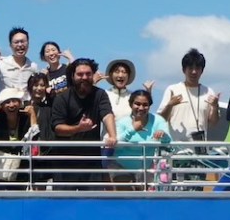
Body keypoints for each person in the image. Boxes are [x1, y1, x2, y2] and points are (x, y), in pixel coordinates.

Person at [47, 58, 115, 189]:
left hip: (92, 161)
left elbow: (107, 114)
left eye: (88, 74)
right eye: (80, 74)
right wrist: (78, 128)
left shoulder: (100, 94)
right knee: (64, 206)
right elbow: (57, 127)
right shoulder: (62, 97)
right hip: (64, 163)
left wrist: (112, 136)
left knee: (93, 204)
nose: (84, 77)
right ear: (72, 76)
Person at [111, 89, 172, 189]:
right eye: (137, 104)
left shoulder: (158, 120)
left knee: (146, 199)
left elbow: (169, 142)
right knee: (125, 195)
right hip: (121, 167)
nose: (141, 108)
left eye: (145, 105)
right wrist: (132, 129)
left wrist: (163, 135)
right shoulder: (122, 122)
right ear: (131, 104)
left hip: (146, 168)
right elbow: (116, 144)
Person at [157, 48, 222, 143]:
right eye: (190, 68)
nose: (194, 72)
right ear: (184, 70)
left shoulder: (208, 91)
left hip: (200, 149)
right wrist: (170, 105)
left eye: (197, 68)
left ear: (202, 71)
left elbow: (213, 123)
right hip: (176, 149)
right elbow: (161, 120)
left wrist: (215, 106)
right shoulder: (173, 89)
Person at [0, 26, 40, 98]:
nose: (20, 45)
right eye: (16, 42)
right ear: (10, 45)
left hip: (27, 108)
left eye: (22, 41)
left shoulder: (33, 66)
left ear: (28, 44)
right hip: (7, 106)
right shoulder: (1, 63)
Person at [99, 58, 152, 122]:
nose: (120, 75)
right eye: (117, 72)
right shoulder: (103, 94)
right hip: (107, 132)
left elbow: (144, 116)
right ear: (110, 75)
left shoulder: (133, 96)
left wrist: (148, 94)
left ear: (129, 76)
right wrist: (93, 83)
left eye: (124, 72)